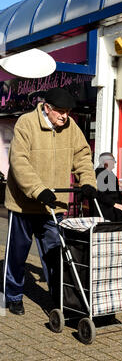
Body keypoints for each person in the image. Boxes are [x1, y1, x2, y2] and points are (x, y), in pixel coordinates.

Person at [3, 87, 97, 315]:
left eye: (68, 112)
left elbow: (83, 156)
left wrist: (87, 182)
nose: (65, 116)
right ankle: (13, 295)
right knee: (17, 254)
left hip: (54, 205)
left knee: (56, 255)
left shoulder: (71, 127)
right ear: (47, 108)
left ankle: (61, 300)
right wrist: (38, 189)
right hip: (24, 203)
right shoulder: (26, 123)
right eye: (61, 112)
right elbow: (19, 161)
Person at [92, 152, 122, 221]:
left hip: (114, 205)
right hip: (106, 208)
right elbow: (100, 194)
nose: (115, 163)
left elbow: (116, 191)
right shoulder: (100, 174)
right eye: (113, 160)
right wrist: (115, 204)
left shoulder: (109, 173)